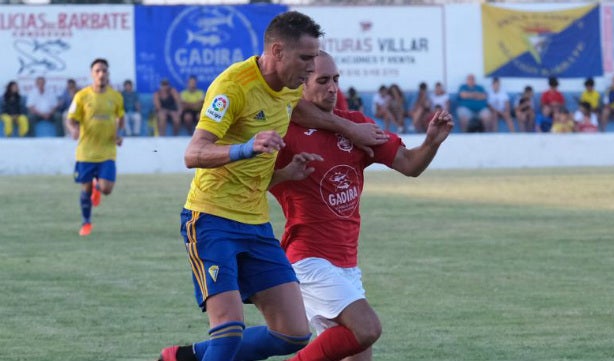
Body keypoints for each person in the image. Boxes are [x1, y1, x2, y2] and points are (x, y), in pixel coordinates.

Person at [157, 11, 388, 361]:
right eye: (305, 59)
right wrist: (247, 147)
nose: (311, 69)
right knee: (228, 332)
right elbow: (194, 153)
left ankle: (184, 357)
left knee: (293, 334)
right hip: (210, 219)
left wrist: (349, 129)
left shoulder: (289, 89)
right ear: (278, 51)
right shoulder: (233, 86)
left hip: (255, 223)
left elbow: (303, 113)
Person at [269, 51, 453, 361]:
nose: (332, 88)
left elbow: (409, 165)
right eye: (322, 80)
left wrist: (431, 142)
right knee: (366, 328)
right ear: (301, 85)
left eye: (336, 80)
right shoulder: (285, 131)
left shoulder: (357, 126)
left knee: (358, 352)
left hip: (347, 265)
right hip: (309, 260)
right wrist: (286, 174)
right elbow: (251, 180)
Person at [65, 58, 124, 236]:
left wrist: (119, 134)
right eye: (97, 71)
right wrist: (74, 129)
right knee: (85, 189)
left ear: (108, 74)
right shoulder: (81, 96)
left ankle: (99, 186)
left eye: (104, 71)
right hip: (86, 152)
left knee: (107, 189)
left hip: (107, 150)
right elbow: (70, 119)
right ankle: (86, 223)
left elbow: (120, 117)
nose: (101, 74)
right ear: (92, 74)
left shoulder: (116, 97)